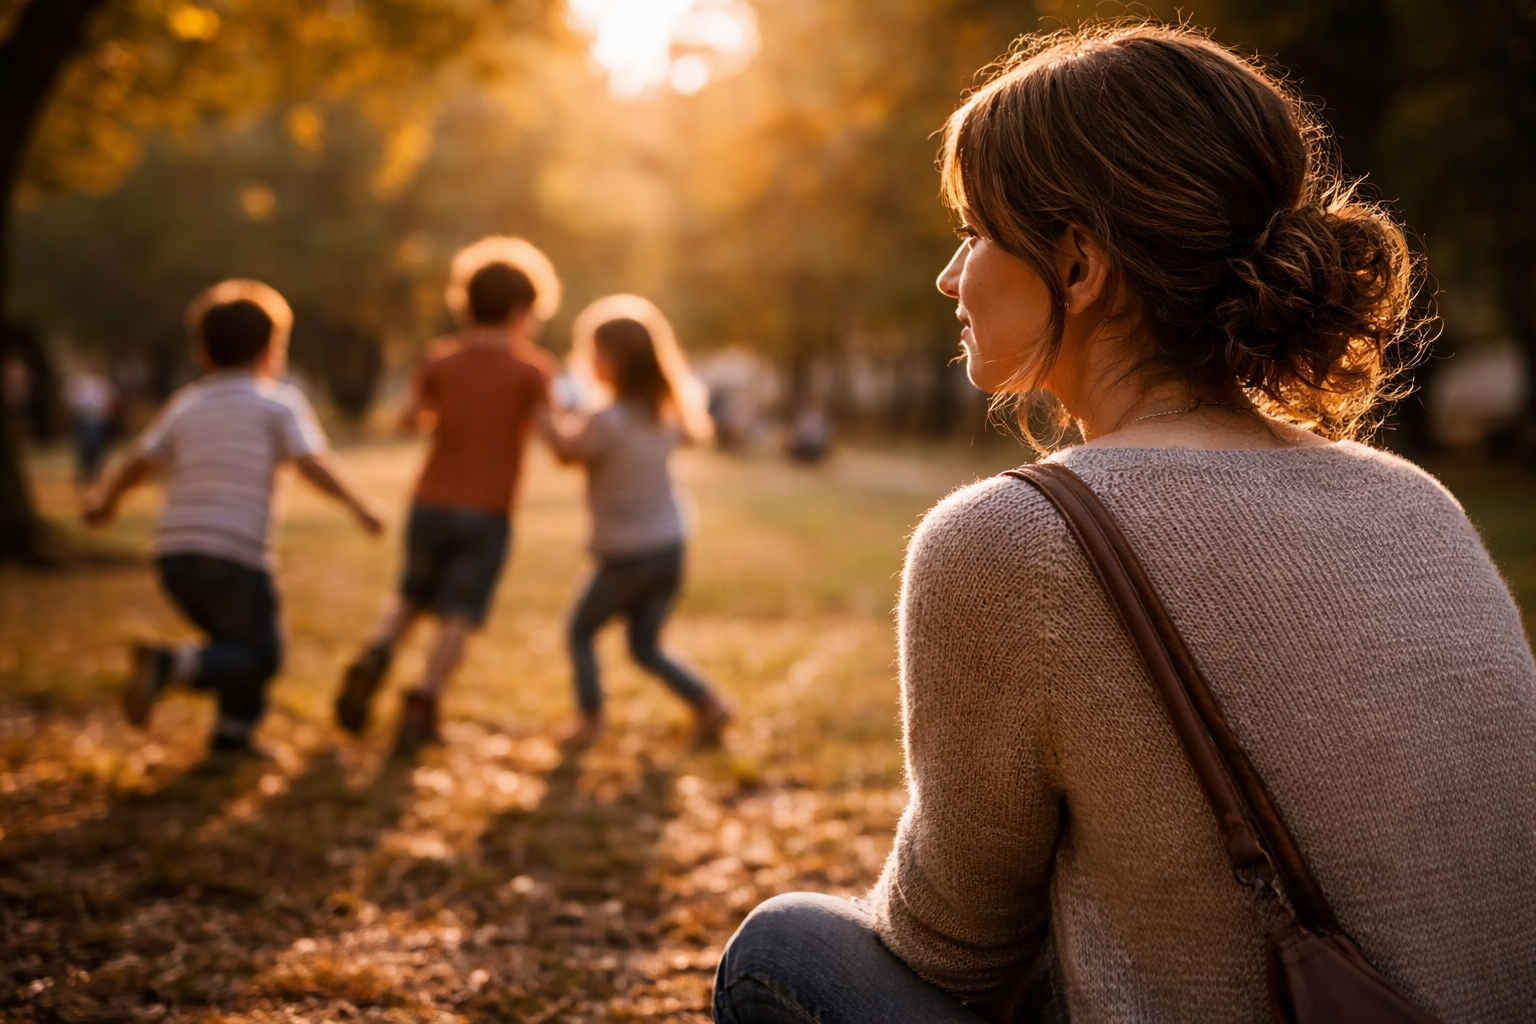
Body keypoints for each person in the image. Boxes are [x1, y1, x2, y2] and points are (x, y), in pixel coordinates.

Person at [714, 22, 1536, 1024]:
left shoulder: (1015, 539)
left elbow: (953, 948)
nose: (948, 278)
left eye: (975, 233)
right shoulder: (1416, 500)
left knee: (783, 946)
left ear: (1077, 267)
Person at [84, 280, 384, 762]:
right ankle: (171, 666)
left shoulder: (186, 404)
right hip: (235, 557)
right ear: (273, 351)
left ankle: (231, 736)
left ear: (204, 353)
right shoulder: (277, 403)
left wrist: (105, 502)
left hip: (174, 556)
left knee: (234, 643)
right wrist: (359, 505)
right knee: (260, 654)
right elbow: (312, 461)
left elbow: (142, 460)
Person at [334, 237, 561, 752]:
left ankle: (376, 655)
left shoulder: (441, 359)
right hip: (488, 510)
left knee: (411, 592)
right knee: (459, 611)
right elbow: (559, 441)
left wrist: (446, 415)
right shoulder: (531, 370)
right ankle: (424, 701)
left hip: (430, 501)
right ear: (522, 310)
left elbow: (406, 418)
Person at [543, 295, 730, 747]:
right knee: (644, 645)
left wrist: (540, 409)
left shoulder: (605, 419)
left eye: (595, 352)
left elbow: (568, 453)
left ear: (616, 360)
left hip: (627, 555)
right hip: (670, 547)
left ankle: (589, 720)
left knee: (579, 630)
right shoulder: (663, 413)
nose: (588, 361)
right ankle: (709, 704)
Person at [65, 358, 118, 487]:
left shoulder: (104, 382)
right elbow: (71, 399)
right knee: (83, 447)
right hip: (84, 418)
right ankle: (82, 473)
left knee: (97, 447)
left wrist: (108, 412)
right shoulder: (79, 382)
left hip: (99, 419)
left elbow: (112, 399)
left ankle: (94, 474)